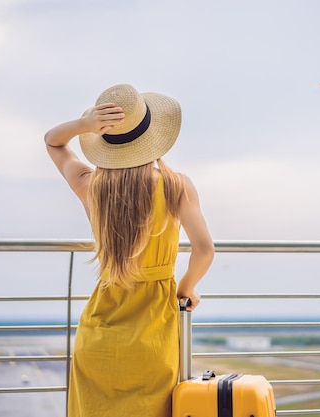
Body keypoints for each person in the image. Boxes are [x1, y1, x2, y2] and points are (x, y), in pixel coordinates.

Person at [44, 84, 214, 417]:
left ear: (104, 142)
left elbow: (53, 141)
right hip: (155, 326)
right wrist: (185, 289)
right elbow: (204, 250)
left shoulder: (89, 184)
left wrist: (86, 125)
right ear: (153, 136)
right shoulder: (176, 184)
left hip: (99, 332)